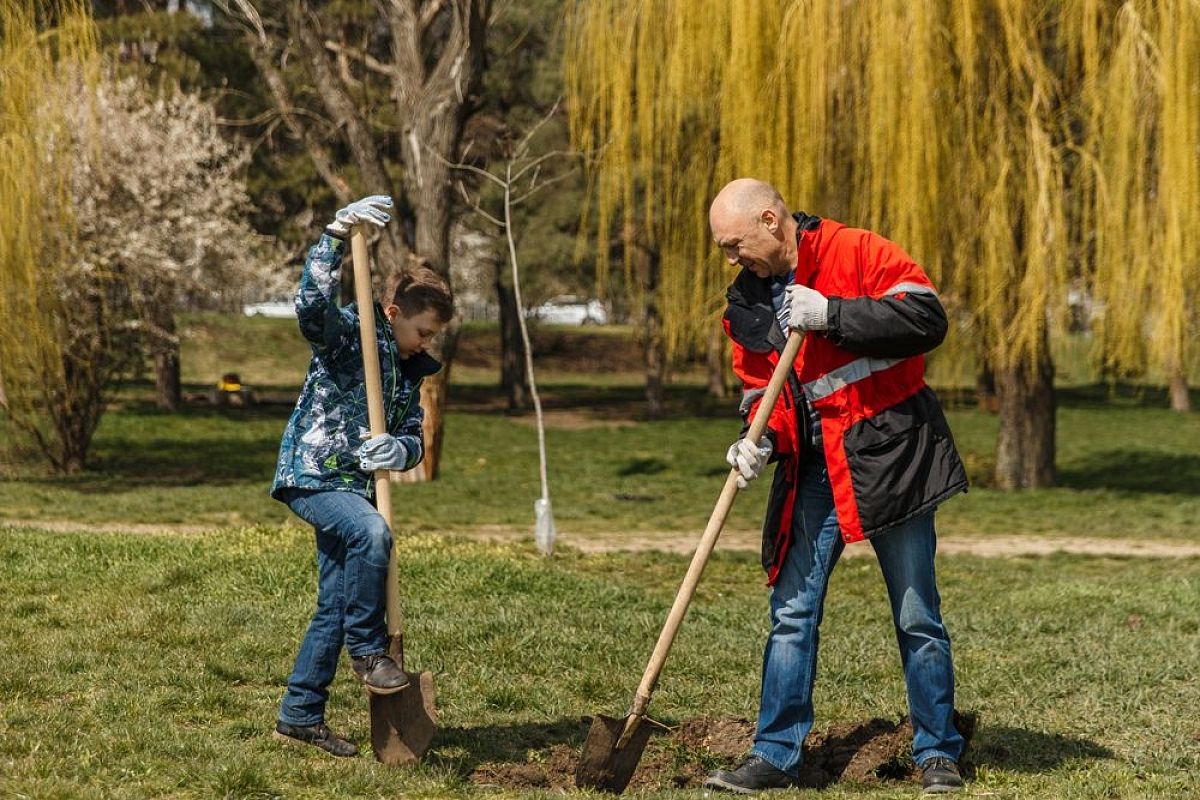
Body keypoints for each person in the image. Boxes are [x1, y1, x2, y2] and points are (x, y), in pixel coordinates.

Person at [703, 179, 969, 795]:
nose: (730, 258)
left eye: (735, 244)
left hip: (889, 457)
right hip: (812, 471)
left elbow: (927, 319)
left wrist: (832, 314)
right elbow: (758, 389)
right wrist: (757, 440)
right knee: (792, 613)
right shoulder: (746, 305)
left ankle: (937, 753)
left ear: (771, 220)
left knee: (916, 612)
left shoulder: (858, 252)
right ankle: (775, 755)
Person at [269, 195, 453, 757]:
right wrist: (332, 237)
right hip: (313, 473)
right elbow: (309, 308)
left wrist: (397, 451)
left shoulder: (407, 370)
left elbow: (413, 438)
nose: (428, 343)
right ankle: (371, 653)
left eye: (434, 336)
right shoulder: (353, 333)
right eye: (423, 331)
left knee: (334, 601)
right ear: (394, 313)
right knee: (372, 533)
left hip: (355, 485)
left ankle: (300, 712)